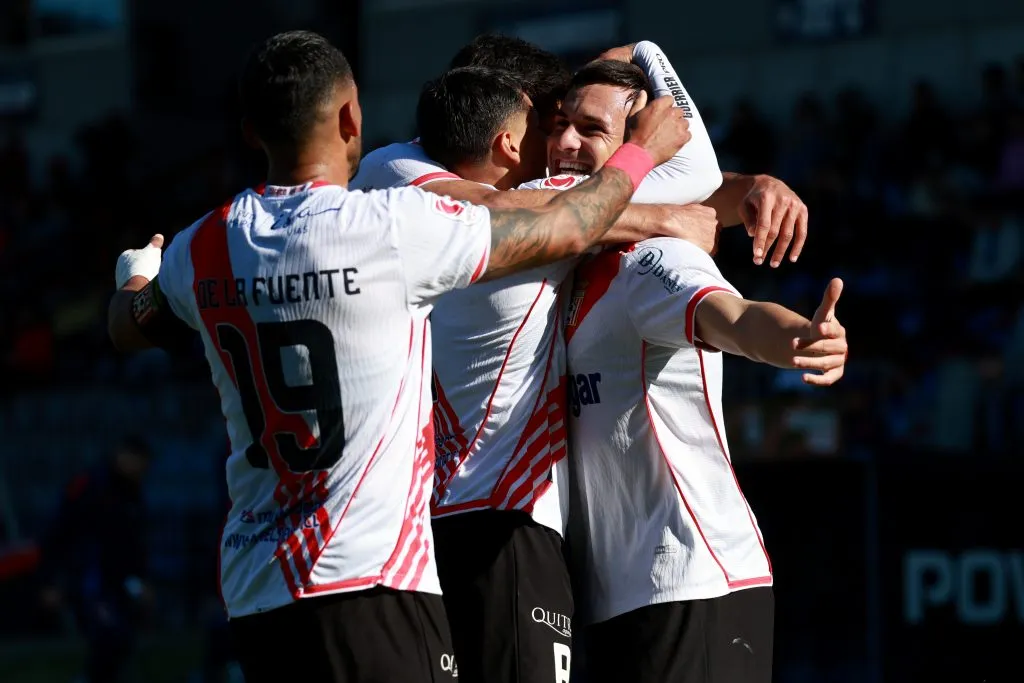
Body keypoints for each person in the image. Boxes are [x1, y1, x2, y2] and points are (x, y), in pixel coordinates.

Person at [105, 29, 690, 683]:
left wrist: (136, 270)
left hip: (258, 594)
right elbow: (570, 224)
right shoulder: (389, 229)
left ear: (250, 133)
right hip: (373, 581)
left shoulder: (199, 248)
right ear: (351, 117)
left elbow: (128, 325)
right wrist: (638, 155)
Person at [553, 62, 849, 683]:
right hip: (615, 598)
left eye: (591, 129)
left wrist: (798, 339)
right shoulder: (567, 259)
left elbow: (733, 318)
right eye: (561, 125)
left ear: (645, 153)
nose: (566, 143)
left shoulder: (652, 256)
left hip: (690, 582)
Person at [37, 436, 153, 683]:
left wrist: (141, 580)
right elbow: (58, 534)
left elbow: (135, 544)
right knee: (110, 636)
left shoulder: (132, 493)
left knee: (120, 644)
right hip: (91, 580)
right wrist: (49, 581)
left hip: (118, 583)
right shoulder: (89, 486)